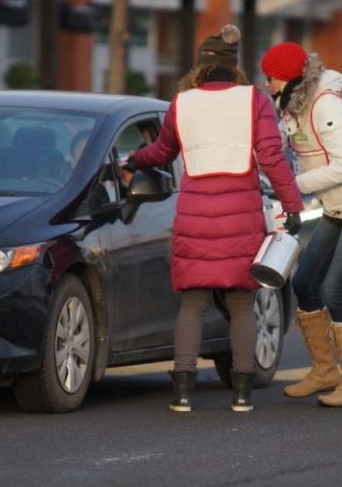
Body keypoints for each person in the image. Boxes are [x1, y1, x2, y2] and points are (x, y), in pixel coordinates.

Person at [126, 25, 303, 413]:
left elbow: (162, 152)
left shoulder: (182, 102)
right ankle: (241, 394)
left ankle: (182, 392)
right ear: (233, 66)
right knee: (241, 304)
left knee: (193, 304)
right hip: (240, 220)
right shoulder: (254, 100)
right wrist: (292, 206)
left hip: (195, 219)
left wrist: (134, 161)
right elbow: (272, 158)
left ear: (199, 67)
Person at [260, 42, 342, 407]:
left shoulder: (327, 106)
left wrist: (292, 186)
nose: (267, 84)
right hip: (336, 209)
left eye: (271, 78)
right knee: (304, 284)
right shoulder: (292, 107)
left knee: (335, 290)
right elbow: (280, 151)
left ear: (291, 78)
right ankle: (324, 371)